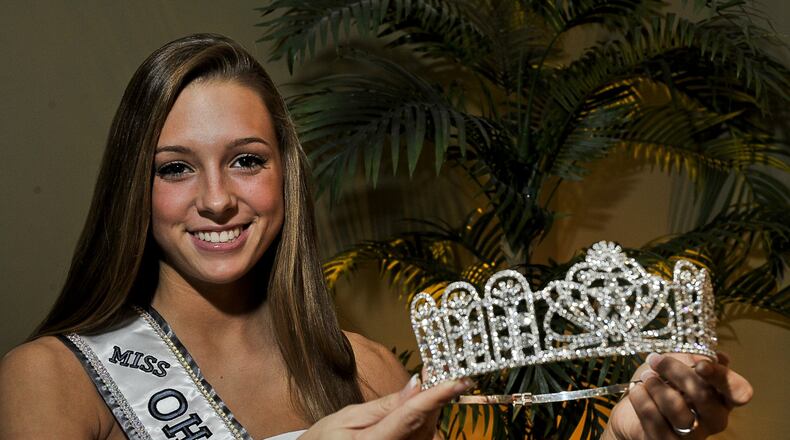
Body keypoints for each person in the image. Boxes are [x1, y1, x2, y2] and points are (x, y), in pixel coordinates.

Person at [0, 34, 751, 440]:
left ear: (286, 177)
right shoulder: (54, 379)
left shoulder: (368, 372)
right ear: (135, 186)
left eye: (247, 161)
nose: (219, 200)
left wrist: (634, 437)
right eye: (175, 169)